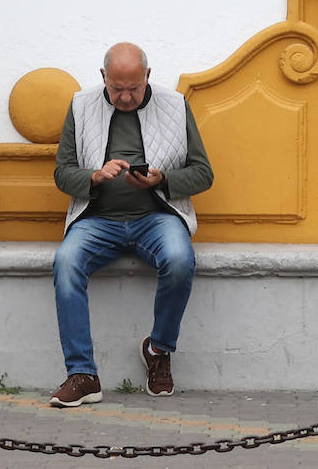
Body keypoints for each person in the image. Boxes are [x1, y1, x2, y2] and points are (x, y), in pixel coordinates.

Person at [48, 42, 214, 407]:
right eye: (116, 88)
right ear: (103, 77)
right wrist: (94, 177)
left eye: (134, 89)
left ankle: (158, 349)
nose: (124, 97)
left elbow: (204, 174)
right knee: (66, 263)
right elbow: (62, 173)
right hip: (97, 220)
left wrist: (162, 181)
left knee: (180, 259)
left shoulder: (175, 105)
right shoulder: (80, 105)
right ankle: (82, 375)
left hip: (157, 217)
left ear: (148, 77)